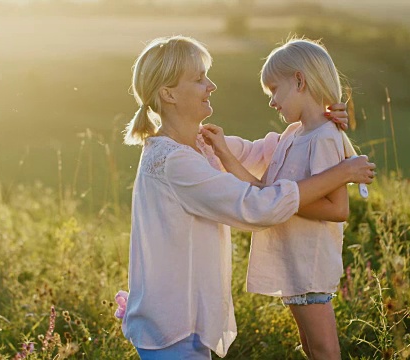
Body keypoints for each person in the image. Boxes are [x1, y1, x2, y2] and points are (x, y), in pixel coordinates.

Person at [120, 35, 374, 359]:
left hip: (184, 322)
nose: (211, 86)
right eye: (199, 79)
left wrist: (315, 120)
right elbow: (258, 207)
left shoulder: (198, 145)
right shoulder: (176, 162)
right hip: (174, 327)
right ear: (168, 94)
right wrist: (341, 174)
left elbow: (269, 152)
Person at [201, 37, 360, 360]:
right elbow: (264, 189)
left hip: (310, 264)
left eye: (274, 89)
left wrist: (283, 201)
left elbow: (338, 209)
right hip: (292, 265)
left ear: (300, 80)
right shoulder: (292, 135)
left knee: (325, 352)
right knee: (311, 349)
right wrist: (222, 152)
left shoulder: (326, 137)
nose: (272, 102)